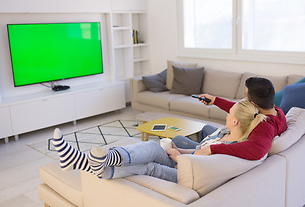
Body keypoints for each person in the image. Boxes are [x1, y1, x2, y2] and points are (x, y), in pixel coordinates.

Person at [51, 99, 266, 183]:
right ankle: (98, 162)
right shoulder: (221, 133)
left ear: (236, 121)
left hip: (187, 171)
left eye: (229, 112)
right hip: (183, 160)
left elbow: (205, 165)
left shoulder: (232, 148)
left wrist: (180, 156)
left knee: (149, 166)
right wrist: (178, 150)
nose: (226, 113)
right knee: (153, 145)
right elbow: (201, 150)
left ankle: (84, 162)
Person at [172, 77, 287, 160]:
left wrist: (212, 149)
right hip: (238, 136)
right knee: (207, 128)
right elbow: (241, 112)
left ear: (252, 104)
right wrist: (215, 100)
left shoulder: (265, 126)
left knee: (177, 139)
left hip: (234, 143)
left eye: (245, 95)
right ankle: (198, 148)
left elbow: (257, 150)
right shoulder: (277, 111)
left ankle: (194, 152)